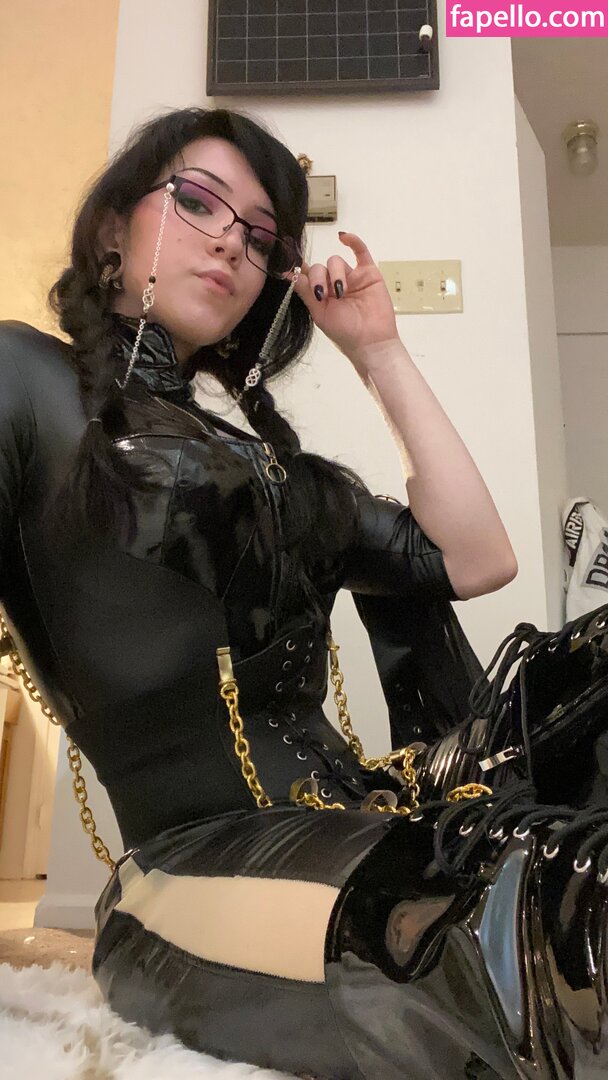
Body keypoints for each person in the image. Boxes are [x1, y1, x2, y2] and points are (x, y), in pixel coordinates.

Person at [2, 106, 607, 1080]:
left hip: (373, 808)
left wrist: (378, 353)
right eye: (199, 202)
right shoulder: (23, 378)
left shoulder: (272, 470)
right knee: (535, 925)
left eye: (259, 236)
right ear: (113, 226)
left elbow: (475, 557)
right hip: (198, 870)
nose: (229, 245)